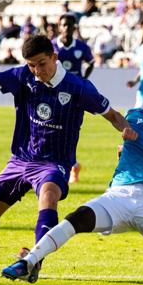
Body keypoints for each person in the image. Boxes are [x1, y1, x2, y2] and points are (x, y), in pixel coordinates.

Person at [0, 35, 138, 283]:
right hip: (20, 159)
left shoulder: (79, 88)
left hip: (54, 162)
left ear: (54, 56)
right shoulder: (23, 77)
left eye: (41, 63)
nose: (37, 71)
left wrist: (126, 130)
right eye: (31, 65)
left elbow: (113, 115)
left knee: (49, 195)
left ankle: (34, 261)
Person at [2, 76, 143, 283]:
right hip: (119, 196)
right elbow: (126, 142)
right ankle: (28, 263)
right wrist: (124, 150)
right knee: (78, 218)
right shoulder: (134, 116)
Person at [53, 13, 95, 184]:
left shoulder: (81, 47)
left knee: (71, 129)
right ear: (59, 27)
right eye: (64, 25)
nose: (66, 28)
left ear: (74, 27)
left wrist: (84, 78)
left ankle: (70, 165)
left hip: (76, 92)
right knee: (55, 128)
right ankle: (71, 164)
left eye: (70, 25)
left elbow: (91, 61)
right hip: (56, 92)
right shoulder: (52, 46)